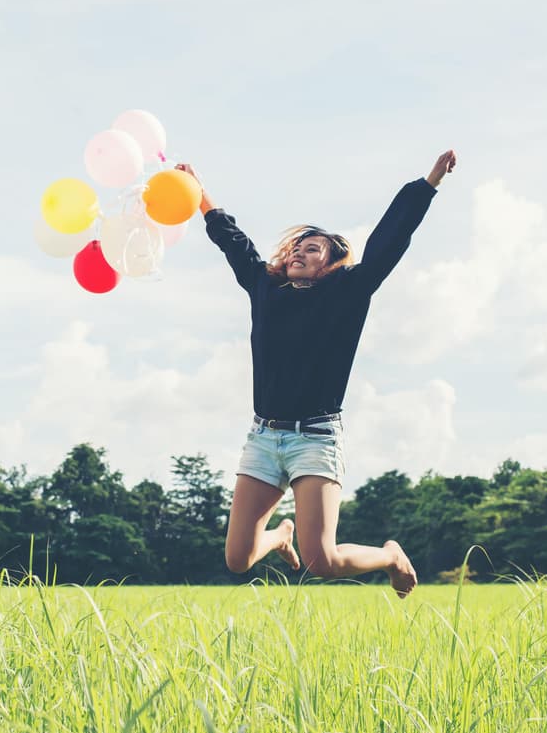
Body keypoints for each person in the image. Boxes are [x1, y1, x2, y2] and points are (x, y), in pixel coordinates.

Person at [178, 150, 456, 598]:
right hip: (264, 436)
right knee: (237, 559)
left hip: (316, 437)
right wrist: (199, 195)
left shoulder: (348, 293)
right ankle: (279, 536)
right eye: (295, 248)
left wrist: (427, 185)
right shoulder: (264, 287)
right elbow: (233, 241)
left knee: (321, 562)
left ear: (330, 264)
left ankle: (390, 555)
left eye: (312, 249)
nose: (298, 253)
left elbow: (390, 238)